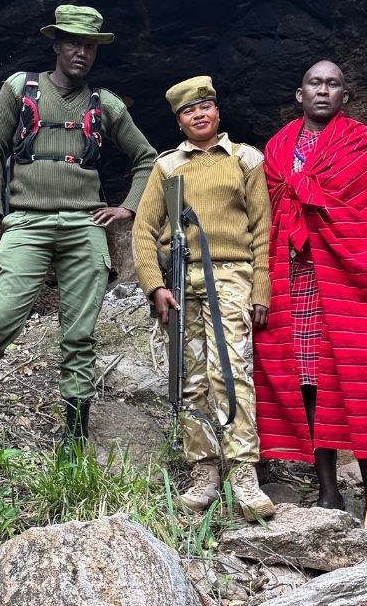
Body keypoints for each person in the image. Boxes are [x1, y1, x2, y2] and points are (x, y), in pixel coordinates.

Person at [0, 5, 157, 451]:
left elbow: (147, 159)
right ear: (56, 45)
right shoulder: (20, 88)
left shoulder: (107, 104)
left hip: (84, 225)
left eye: (88, 45)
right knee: (3, 317)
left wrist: (129, 208)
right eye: (72, 43)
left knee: (79, 332)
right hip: (26, 220)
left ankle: (75, 431)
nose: (80, 52)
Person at [254, 60, 367, 525]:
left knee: (361, 378)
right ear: (299, 94)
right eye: (314, 83)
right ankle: (327, 490)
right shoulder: (278, 148)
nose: (323, 90)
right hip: (295, 278)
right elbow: (264, 215)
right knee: (308, 381)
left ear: (345, 96)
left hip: (350, 279)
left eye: (333, 84)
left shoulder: (365, 143)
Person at [133, 76, 276, 521]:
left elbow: (262, 230)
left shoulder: (245, 159)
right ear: (179, 122)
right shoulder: (167, 167)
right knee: (190, 377)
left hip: (230, 276)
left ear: (218, 112)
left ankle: (244, 474)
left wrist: (262, 287)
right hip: (179, 281)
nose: (200, 115)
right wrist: (154, 285)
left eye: (207, 107)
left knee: (230, 371)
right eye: (189, 111)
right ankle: (204, 471)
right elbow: (142, 230)